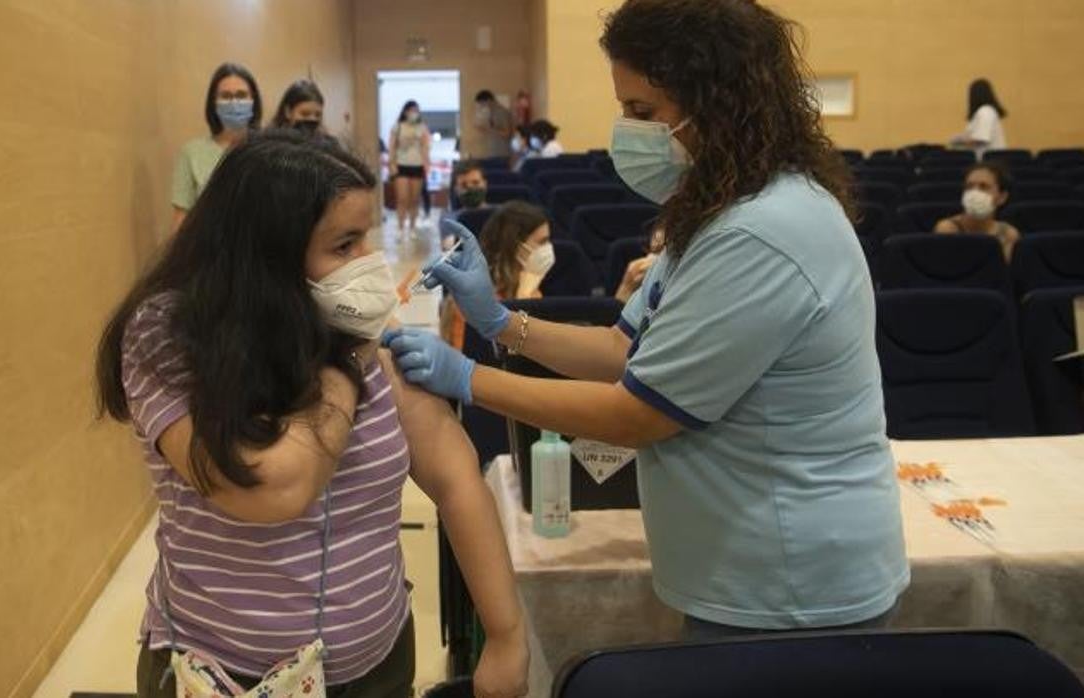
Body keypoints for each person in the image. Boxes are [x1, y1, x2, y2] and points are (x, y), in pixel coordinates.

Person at [385, 0, 909, 639]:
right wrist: (498, 321)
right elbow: (621, 347)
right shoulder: (717, 211)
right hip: (742, 562)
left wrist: (468, 379)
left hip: (790, 577)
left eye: (643, 113)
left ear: (720, 106)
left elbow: (638, 413)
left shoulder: (764, 232)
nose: (626, 131)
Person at [96, 131, 528, 698]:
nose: (369, 263)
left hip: (376, 665)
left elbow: (454, 476)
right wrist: (346, 357)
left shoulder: (364, 332)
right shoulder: (167, 336)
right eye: (345, 245)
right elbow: (273, 488)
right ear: (269, 257)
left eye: (366, 239)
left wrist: (507, 633)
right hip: (224, 676)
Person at [442, 202, 553, 348]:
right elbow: (475, 361)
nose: (549, 248)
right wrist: (524, 300)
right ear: (516, 246)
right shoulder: (470, 299)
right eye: (542, 242)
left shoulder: (530, 286)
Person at [171, 63, 262, 234]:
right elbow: (180, 224)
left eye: (242, 95)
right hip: (207, 254)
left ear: (253, 100)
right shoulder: (192, 153)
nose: (234, 102)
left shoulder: (267, 151)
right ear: (213, 103)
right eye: (226, 96)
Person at [934, 162, 1021, 261]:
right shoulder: (947, 229)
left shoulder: (1008, 234)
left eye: (984, 187)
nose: (975, 192)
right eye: (969, 187)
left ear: (1002, 197)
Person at [389, 100, 430, 239]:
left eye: (416, 110)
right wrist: (392, 165)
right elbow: (392, 147)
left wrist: (426, 165)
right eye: (412, 110)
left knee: (414, 200)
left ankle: (412, 227)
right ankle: (400, 228)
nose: (414, 113)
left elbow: (425, 148)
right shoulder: (398, 126)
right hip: (401, 165)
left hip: (417, 166)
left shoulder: (422, 127)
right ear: (405, 111)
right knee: (402, 199)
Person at [951, 78, 1007, 159]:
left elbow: (981, 140)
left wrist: (959, 142)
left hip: (989, 161)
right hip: (988, 160)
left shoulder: (985, 112)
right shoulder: (985, 112)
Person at [471, 90, 514, 160]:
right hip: (493, 153)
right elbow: (493, 129)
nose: (482, 106)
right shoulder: (491, 112)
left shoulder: (502, 112)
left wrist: (490, 128)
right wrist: (483, 129)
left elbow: (507, 133)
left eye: (482, 103)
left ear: (488, 100)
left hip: (502, 153)